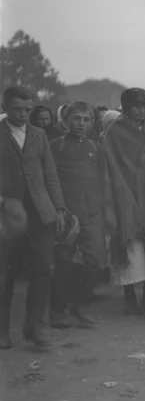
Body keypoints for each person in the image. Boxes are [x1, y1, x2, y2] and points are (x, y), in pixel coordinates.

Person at [0, 86, 67, 349]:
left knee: (43, 270)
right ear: (5, 107)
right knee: (6, 273)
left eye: (28, 109)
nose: (24, 114)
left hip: (41, 212)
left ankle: (35, 328)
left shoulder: (39, 135)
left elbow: (50, 174)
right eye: (18, 109)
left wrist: (59, 208)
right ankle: (2, 332)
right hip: (8, 214)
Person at [100, 87, 145, 317]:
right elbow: (111, 165)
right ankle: (130, 296)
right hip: (124, 194)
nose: (141, 110)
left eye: (144, 106)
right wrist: (123, 194)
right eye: (135, 106)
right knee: (129, 249)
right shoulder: (114, 131)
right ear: (126, 108)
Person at [47, 101, 108, 328]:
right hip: (66, 214)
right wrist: (58, 210)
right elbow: (48, 179)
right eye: (77, 118)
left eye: (87, 119)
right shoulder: (56, 146)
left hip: (92, 213)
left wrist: (100, 205)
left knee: (97, 261)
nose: (82, 124)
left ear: (93, 122)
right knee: (62, 264)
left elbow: (102, 177)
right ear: (65, 120)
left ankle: (81, 304)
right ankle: (58, 310)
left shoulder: (95, 146)